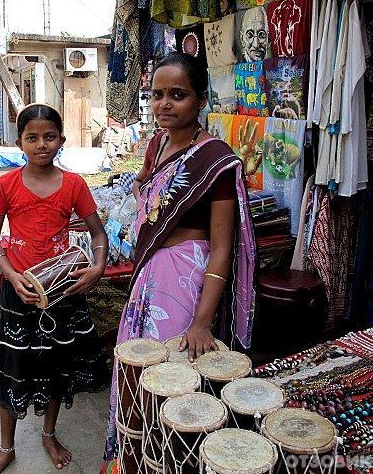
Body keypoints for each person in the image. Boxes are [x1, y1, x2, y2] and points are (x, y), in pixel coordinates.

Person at [109, 52, 256, 461]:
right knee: (137, 376)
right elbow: (143, 184)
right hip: (149, 281)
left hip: (185, 284)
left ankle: (171, 461)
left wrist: (202, 322)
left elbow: (223, 247)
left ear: (202, 99)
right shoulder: (157, 143)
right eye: (157, 95)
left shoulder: (216, 160)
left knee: (173, 383)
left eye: (178, 95)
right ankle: (136, 460)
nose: (164, 105)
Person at [0, 103, 109, 474]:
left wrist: (97, 266)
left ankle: (49, 434)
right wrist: (10, 274)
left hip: (61, 292)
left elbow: (97, 233)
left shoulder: (74, 185)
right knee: (10, 370)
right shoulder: (4, 185)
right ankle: (6, 448)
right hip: (18, 293)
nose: (41, 144)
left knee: (56, 368)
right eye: (32, 137)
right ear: (19, 141)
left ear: (62, 141)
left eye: (49, 136)